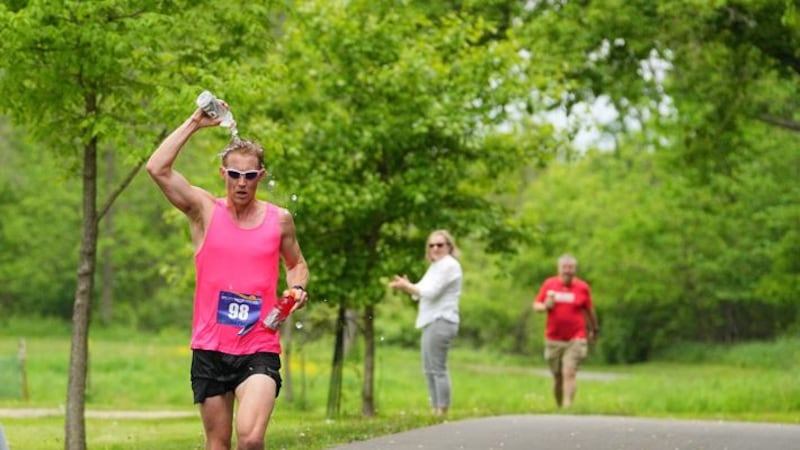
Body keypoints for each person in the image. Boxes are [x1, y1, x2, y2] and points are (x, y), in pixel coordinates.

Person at [146, 101, 309, 450]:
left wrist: (296, 289)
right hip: (210, 347)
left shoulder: (279, 220)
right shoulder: (204, 211)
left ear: (260, 177)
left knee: (250, 439)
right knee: (217, 443)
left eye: (250, 176)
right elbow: (157, 168)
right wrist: (194, 122)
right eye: (234, 174)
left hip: (258, 346)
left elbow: (296, 264)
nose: (241, 183)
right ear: (223, 174)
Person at [389, 230, 462, 417]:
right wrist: (407, 286)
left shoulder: (449, 265)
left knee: (437, 368)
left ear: (449, 247)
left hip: (442, 320)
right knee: (429, 368)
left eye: (440, 245)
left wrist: (408, 286)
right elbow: (420, 290)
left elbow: (430, 292)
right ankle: (435, 408)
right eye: (431, 245)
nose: (435, 248)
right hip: (431, 320)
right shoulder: (436, 266)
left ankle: (442, 410)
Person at [532, 254, 598, 409]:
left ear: (575, 269)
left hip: (576, 337)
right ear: (559, 269)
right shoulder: (550, 285)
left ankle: (568, 406)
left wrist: (594, 329)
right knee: (558, 376)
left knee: (569, 372)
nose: (567, 271)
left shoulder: (582, 287)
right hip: (553, 338)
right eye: (564, 267)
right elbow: (536, 305)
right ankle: (559, 406)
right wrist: (545, 306)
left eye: (571, 267)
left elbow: (589, 310)